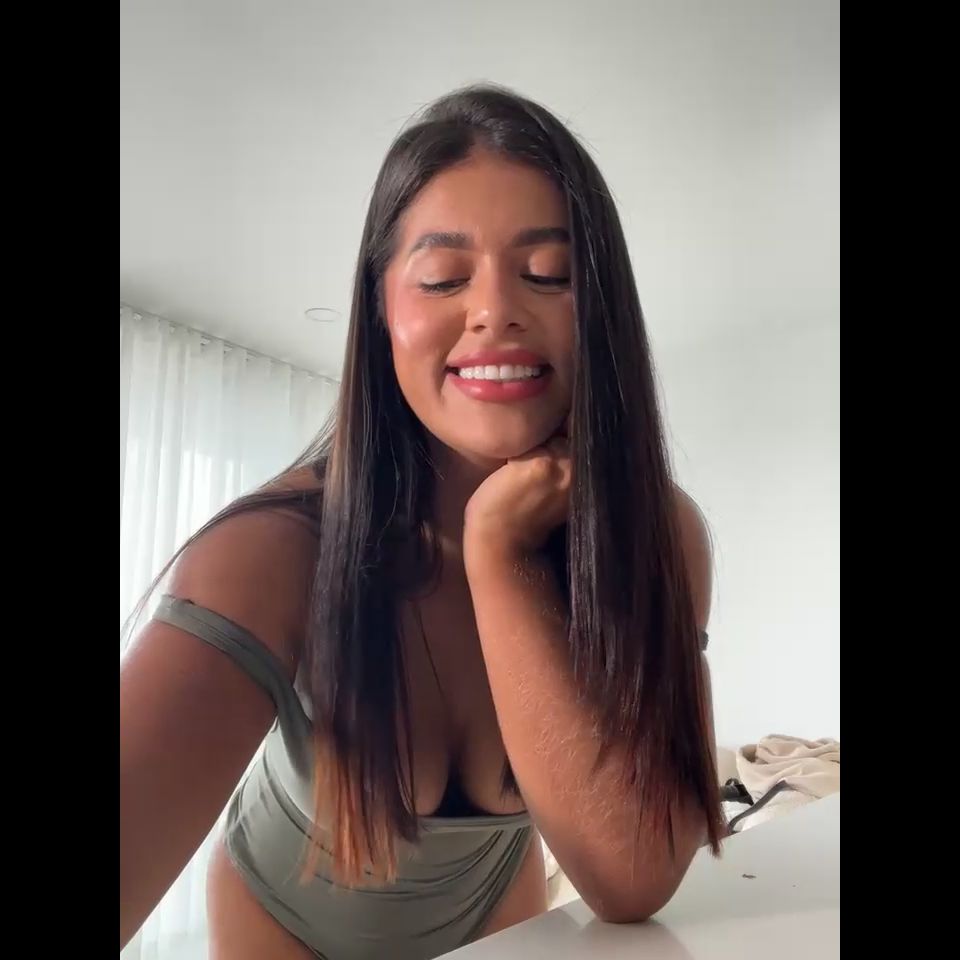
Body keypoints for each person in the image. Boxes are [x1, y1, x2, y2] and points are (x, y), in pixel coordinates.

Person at [120, 83, 724, 960]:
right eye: (444, 278)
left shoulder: (658, 537)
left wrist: (500, 554)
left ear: (603, 312)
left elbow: (633, 881)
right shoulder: (269, 552)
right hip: (281, 927)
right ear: (379, 309)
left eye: (549, 274)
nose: (495, 310)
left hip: (494, 909)